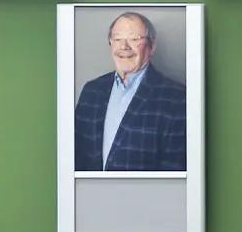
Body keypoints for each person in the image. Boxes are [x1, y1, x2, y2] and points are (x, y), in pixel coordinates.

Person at [73, 12, 187, 172]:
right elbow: (75, 157)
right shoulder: (92, 91)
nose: (124, 46)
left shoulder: (178, 99)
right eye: (118, 39)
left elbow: (174, 172)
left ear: (151, 47)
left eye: (134, 39)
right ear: (111, 43)